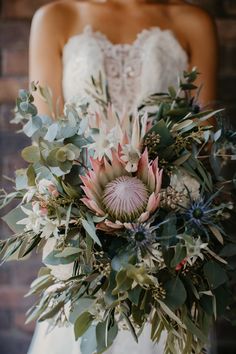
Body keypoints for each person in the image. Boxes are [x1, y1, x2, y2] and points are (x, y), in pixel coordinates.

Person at [28, 0, 218, 353]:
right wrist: (77, 217)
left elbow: (203, 147)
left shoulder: (193, 21)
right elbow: (48, 146)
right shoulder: (56, 17)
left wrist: (164, 213)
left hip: (168, 238)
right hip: (83, 244)